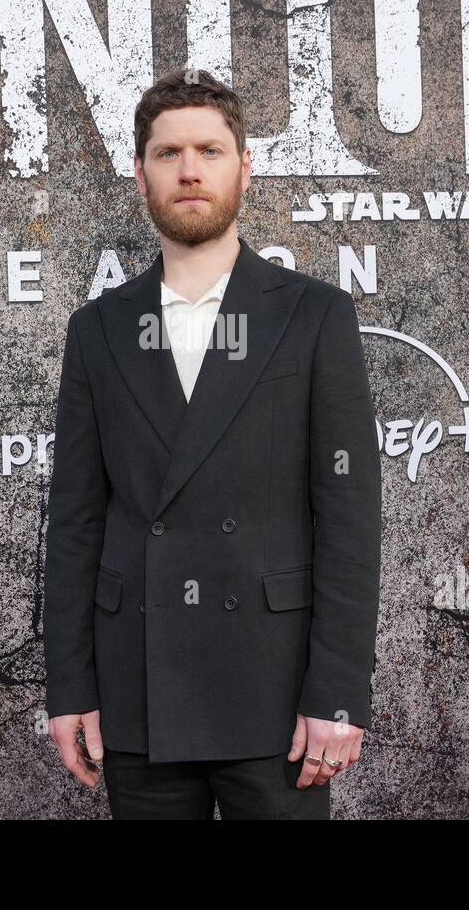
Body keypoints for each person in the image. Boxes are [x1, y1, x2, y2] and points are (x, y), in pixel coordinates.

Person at [44, 67, 381, 819]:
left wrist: (336, 690)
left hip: (277, 691)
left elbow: (350, 521)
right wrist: (70, 688)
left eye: (209, 150)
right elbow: (74, 522)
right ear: (140, 174)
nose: (189, 169)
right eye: (168, 154)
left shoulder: (314, 317)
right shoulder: (97, 330)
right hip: (140, 690)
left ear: (244, 167)